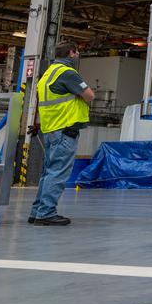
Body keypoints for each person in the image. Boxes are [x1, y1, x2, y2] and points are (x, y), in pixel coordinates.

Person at [28, 41, 95, 226]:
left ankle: (37, 212)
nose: (78, 56)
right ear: (71, 53)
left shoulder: (47, 74)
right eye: (77, 52)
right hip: (65, 131)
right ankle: (46, 213)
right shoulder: (67, 73)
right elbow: (89, 95)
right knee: (57, 173)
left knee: (48, 173)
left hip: (50, 130)